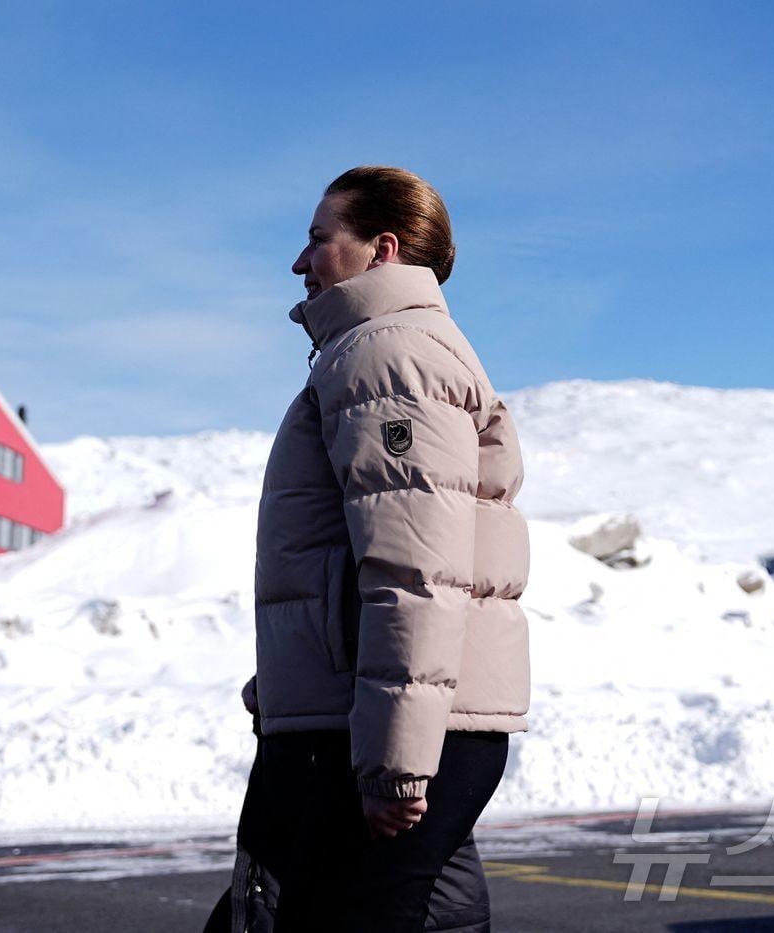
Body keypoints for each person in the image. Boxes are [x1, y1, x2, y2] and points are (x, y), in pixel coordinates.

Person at [205, 166, 531, 932]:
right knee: (431, 917)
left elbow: (416, 570)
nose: (300, 261)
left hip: (382, 730)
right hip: (397, 719)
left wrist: (395, 762)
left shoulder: (388, 358)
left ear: (381, 248)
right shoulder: (389, 352)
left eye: (320, 238)